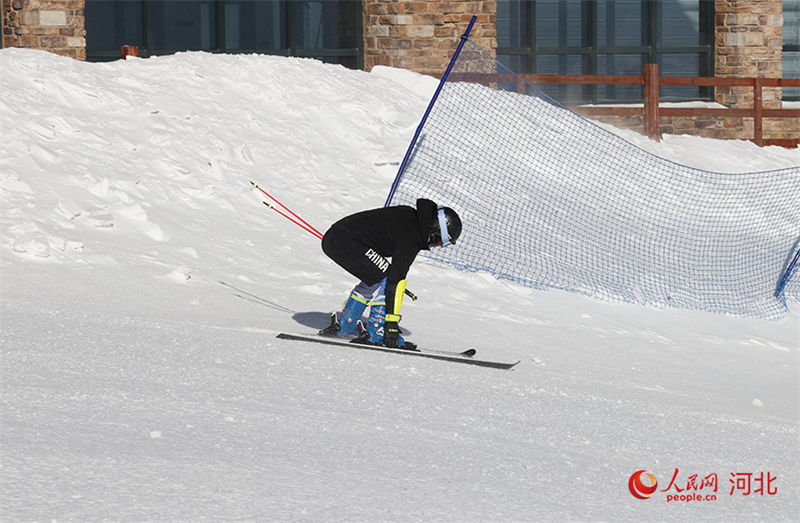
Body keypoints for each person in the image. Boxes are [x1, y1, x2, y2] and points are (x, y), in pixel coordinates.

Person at [320, 198, 462, 349]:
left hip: (337, 238)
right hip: (345, 240)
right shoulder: (412, 234)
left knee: (377, 275)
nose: (438, 246)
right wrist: (391, 324)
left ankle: (346, 323)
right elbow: (395, 281)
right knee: (387, 277)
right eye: (443, 241)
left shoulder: (411, 219)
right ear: (436, 232)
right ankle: (377, 330)